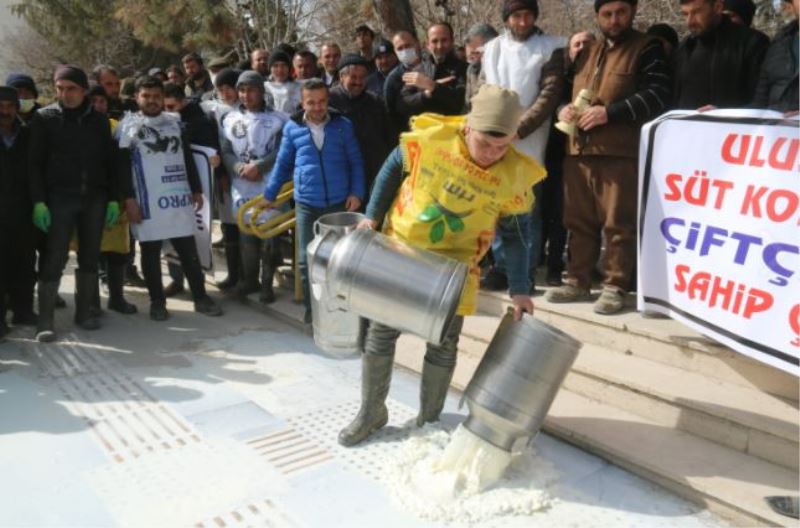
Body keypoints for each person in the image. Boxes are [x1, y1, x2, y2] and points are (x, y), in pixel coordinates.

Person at [338, 85, 542, 447]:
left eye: (503, 146)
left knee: (444, 344)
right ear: (467, 128)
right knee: (381, 334)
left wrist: (521, 288)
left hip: (456, 267)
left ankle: (429, 418)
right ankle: (372, 412)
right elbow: (390, 169)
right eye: (486, 144)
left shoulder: (513, 175)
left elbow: (517, 235)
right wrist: (372, 216)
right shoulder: (432, 139)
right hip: (402, 251)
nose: (493, 154)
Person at [546, 0, 671, 315]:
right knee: (577, 220)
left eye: (621, 12)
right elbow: (563, 92)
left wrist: (610, 114)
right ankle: (577, 280)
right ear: (597, 16)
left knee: (619, 222)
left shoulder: (647, 47)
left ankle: (615, 285)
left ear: (632, 12)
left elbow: (658, 94)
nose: (614, 20)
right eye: (607, 14)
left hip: (620, 151)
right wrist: (563, 108)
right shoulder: (586, 51)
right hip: (577, 150)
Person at [256, 79, 364, 323]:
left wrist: (356, 193)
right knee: (306, 261)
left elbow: (356, 161)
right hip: (307, 203)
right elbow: (283, 164)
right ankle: (311, 307)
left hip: (338, 204)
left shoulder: (342, 126)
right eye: (311, 102)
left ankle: (339, 308)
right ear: (302, 103)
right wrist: (269, 195)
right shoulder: (292, 129)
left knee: (339, 262)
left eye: (322, 101)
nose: (317, 107)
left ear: (328, 101)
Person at [117, 76, 223, 321]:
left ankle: (200, 297)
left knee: (188, 250)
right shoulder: (127, 127)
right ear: (137, 98)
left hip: (177, 198)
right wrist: (129, 200)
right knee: (150, 253)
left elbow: (186, 158)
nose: (152, 101)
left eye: (156, 96)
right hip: (147, 202)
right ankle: (157, 302)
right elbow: (120, 167)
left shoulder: (175, 122)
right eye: (146, 96)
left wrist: (196, 189)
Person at [478, 0, 566, 294]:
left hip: (529, 139)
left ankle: (524, 272)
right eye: (517, 15)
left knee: (527, 208)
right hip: (493, 138)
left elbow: (549, 93)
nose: (523, 21)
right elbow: (481, 89)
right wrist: (490, 127)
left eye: (528, 14)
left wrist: (518, 129)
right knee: (495, 205)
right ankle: (501, 268)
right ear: (507, 18)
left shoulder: (549, 47)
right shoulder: (492, 49)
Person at [29, 65, 121, 341]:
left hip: (94, 198)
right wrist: (38, 202)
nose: (64, 94)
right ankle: (45, 321)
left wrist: (114, 199)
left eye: (70, 89)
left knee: (90, 257)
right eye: (59, 88)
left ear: (83, 91)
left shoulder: (99, 121)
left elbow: (110, 164)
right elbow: (34, 165)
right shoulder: (44, 119)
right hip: (59, 199)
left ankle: (84, 312)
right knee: (54, 258)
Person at [220, 71, 288, 304]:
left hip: (270, 183)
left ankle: (267, 283)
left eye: (251, 89)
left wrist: (260, 166)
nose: (246, 95)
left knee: (269, 234)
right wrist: (239, 168)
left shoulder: (280, 119)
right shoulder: (229, 119)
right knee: (246, 235)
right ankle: (250, 280)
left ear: (261, 91)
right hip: (242, 185)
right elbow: (226, 152)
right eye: (242, 90)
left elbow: (281, 150)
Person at [162, 81, 222, 297]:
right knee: (170, 235)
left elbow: (210, 152)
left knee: (196, 234)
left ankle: (198, 282)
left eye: (171, 107)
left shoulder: (201, 122)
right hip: (171, 187)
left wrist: (215, 160)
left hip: (197, 190)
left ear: (183, 102)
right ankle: (176, 279)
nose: (167, 112)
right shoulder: (162, 122)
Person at [86, 84, 138, 316]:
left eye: (102, 102)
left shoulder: (118, 128)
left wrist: (124, 197)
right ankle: (91, 303)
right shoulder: (77, 128)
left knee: (118, 252)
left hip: (115, 198)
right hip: (88, 200)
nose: (98, 106)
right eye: (93, 101)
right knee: (90, 253)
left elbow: (124, 164)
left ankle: (116, 298)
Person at [672, 0, 769, 110]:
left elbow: (761, 101)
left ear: (718, 7)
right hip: (685, 125)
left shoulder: (752, 43)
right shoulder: (685, 48)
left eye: (697, 12)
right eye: (685, 14)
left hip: (735, 126)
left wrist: (723, 114)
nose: (690, 21)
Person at [329, 54, 394, 197]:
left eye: (362, 77)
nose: (358, 82)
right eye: (353, 77)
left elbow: (388, 136)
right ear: (341, 77)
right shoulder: (328, 101)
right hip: (343, 178)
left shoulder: (376, 101)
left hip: (375, 174)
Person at [202, 68, 243, 291]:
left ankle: (248, 276)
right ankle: (234, 274)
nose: (226, 93)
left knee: (246, 224)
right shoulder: (212, 110)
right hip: (224, 173)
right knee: (229, 224)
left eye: (230, 88)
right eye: (221, 89)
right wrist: (220, 174)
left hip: (248, 174)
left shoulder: (248, 108)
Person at [0, 86, 37, 337]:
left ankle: (23, 309)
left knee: (24, 262)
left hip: (23, 210)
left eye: (10, 107)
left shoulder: (27, 135)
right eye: (0, 106)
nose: (5, 112)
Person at [385, 25, 467, 135]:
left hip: (456, 134)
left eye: (444, 40)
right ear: (427, 44)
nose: (439, 46)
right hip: (425, 137)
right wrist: (426, 94)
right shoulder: (420, 69)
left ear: (452, 41)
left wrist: (433, 86)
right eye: (434, 41)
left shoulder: (464, 69)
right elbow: (403, 104)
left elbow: (459, 102)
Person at [751, 0, 799, 114]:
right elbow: (758, 104)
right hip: (775, 128)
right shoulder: (778, 43)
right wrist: (719, 115)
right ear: (790, 6)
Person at [463, 23, 499, 112]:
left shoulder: (503, 68)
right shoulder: (471, 69)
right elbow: (469, 103)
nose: (474, 58)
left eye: (478, 53)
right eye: (471, 54)